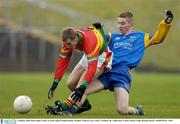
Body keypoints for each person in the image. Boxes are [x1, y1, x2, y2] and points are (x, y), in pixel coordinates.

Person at [46, 10, 173, 115]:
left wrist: (165, 23)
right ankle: (69, 110)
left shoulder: (142, 37)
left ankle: (136, 111)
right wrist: (99, 29)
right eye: (118, 23)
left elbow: (158, 38)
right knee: (82, 88)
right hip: (106, 71)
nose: (120, 26)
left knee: (122, 109)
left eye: (123, 23)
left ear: (130, 23)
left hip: (122, 74)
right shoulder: (113, 36)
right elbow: (97, 42)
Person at [46, 23, 113, 114]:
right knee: (70, 83)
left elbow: (92, 69)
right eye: (65, 44)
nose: (67, 47)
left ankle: (64, 106)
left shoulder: (91, 41)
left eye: (69, 44)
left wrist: (83, 86)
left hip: (102, 57)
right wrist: (55, 82)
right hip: (88, 54)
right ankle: (85, 105)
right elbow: (62, 62)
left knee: (81, 86)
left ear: (76, 39)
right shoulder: (67, 42)